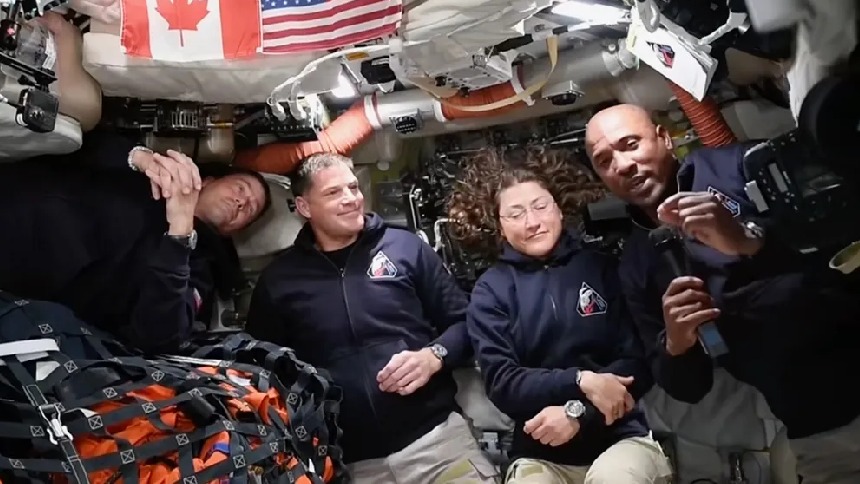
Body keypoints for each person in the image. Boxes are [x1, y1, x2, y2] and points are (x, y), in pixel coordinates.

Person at [585, 103, 860, 484]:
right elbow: (687, 388)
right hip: (815, 425)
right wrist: (677, 343)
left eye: (631, 144)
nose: (623, 164)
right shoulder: (636, 264)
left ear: (664, 138)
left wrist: (751, 240)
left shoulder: (737, 166)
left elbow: (846, 236)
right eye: (604, 161)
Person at [245, 152, 497, 484]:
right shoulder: (279, 281)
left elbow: (466, 324)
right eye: (333, 192)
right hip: (353, 465)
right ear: (305, 207)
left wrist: (434, 356)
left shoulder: (405, 248)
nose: (351, 199)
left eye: (353, 187)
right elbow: (261, 371)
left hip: (437, 443)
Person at [449, 148, 671, 484]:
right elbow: (504, 382)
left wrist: (577, 413)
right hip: (540, 452)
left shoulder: (603, 268)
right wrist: (580, 380)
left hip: (620, 438)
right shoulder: (490, 291)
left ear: (559, 208)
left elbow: (637, 363)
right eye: (516, 214)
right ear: (499, 227)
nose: (532, 222)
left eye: (541, 206)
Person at [0, 129, 271, 353]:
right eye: (241, 188)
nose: (242, 202)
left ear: (230, 233)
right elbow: (80, 143)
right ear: (209, 180)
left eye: (249, 209)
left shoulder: (199, 270)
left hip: (24, 282)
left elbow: (159, 336)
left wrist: (180, 232)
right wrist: (139, 157)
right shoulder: (152, 170)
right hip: (17, 199)